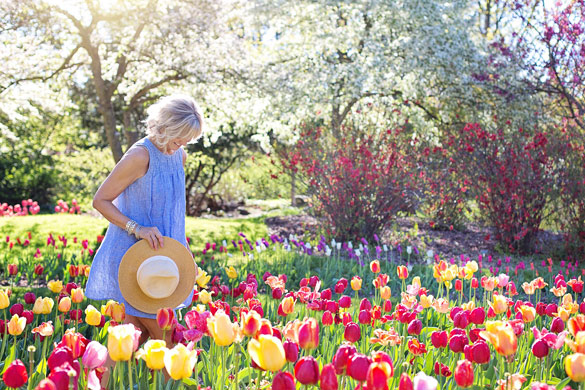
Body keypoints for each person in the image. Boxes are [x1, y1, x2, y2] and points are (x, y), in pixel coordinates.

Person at [85, 94, 203, 376]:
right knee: (169, 342)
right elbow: (100, 200)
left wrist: (184, 255)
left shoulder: (179, 156)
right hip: (137, 262)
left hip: (163, 261)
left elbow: (173, 215)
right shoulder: (140, 156)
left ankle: (89, 382)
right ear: (164, 128)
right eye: (180, 137)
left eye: (188, 139)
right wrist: (137, 229)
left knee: (130, 337)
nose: (183, 145)